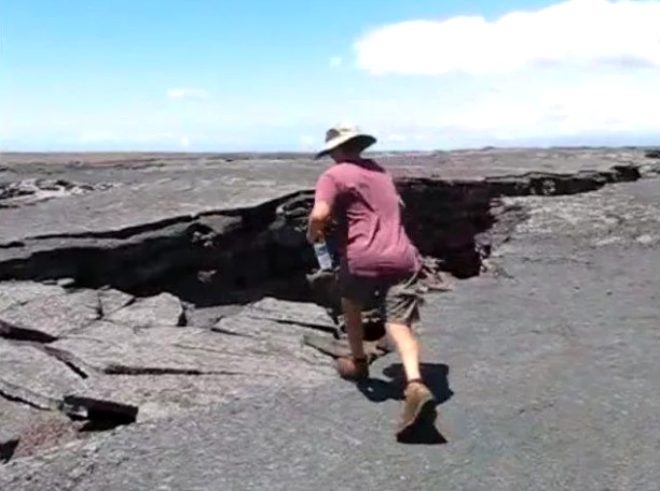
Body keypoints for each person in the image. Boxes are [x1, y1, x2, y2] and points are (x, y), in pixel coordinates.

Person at [306, 124, 437, 439]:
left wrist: (314, 233)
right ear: (359, 146)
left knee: (351, 306)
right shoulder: (381, 173)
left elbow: (319, 214)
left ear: (336, 151)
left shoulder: (333, 176)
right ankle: (416, 383)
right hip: (402, 256)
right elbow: (397, 208)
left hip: (362, 257)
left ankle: (359, 362)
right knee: (399, 325)